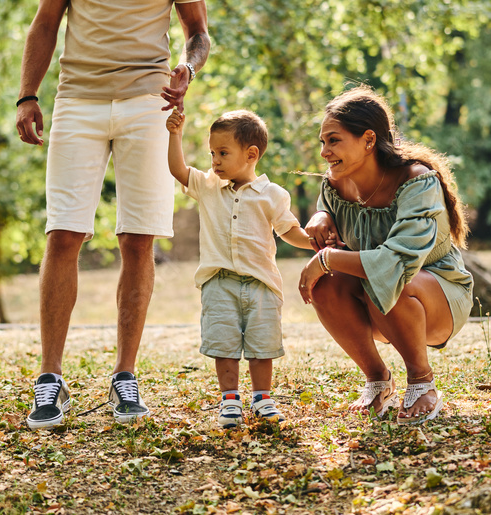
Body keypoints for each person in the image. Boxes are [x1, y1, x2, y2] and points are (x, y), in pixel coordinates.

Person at [15, 0, 210, 430]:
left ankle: (125, 376)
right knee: (65, 233)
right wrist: (28, 95)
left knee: (138, 238)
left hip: (148, 102)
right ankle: (49, 379)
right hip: (78, 98)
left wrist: (189, 71)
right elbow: (46, 22)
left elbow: (198, 33)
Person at [298, 86, 474, 425]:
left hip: (436, 298)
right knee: (326, 286)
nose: (324, 152)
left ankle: (422, 383)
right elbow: (329, 215)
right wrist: (322, 216)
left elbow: (396, 263)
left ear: (367, 139)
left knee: (387, 276)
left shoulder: (417, 181)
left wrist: (326, 260)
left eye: (333, 141)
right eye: (322, 142)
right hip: (378, 301)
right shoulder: (335, 184)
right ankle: (378, 379)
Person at [167, 109, 311, 428]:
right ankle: (229, 400)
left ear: (251, 154)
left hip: (262, 284)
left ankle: (263, 398)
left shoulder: (272, 194)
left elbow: (288, 229)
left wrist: (316, 244)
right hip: (219, 283)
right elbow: (178, 169)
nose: (215, 160)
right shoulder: (207, 185)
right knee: (225, 343)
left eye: (222, 153)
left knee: (263, 345)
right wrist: (174, 134)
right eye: (212, 153)